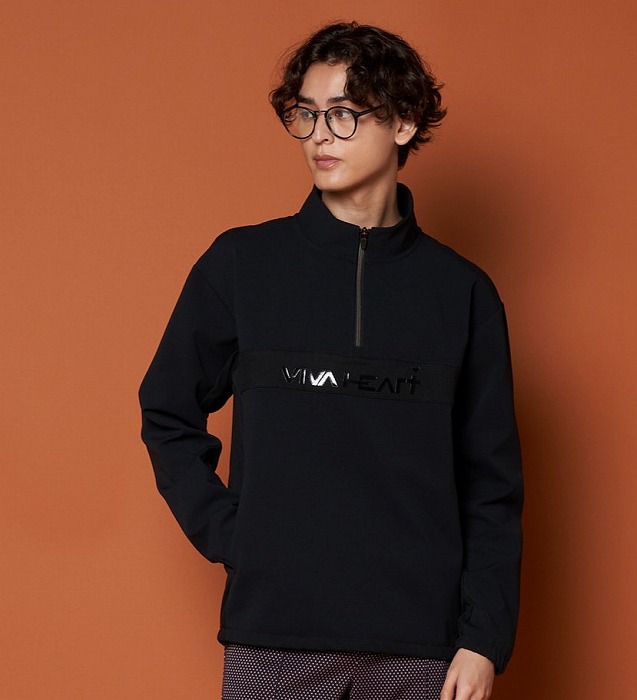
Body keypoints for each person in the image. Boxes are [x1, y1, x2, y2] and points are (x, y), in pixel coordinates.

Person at [138, 21, 523, 700]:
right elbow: (167, 411)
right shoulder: (242, 265)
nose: (320, 135)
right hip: (274, 638)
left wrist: (483, 638)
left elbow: (491, 487)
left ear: (403, 122)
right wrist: (237, 535)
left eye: (344, 113)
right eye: (306, 114)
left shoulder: (462, 293)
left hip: (419, 647)